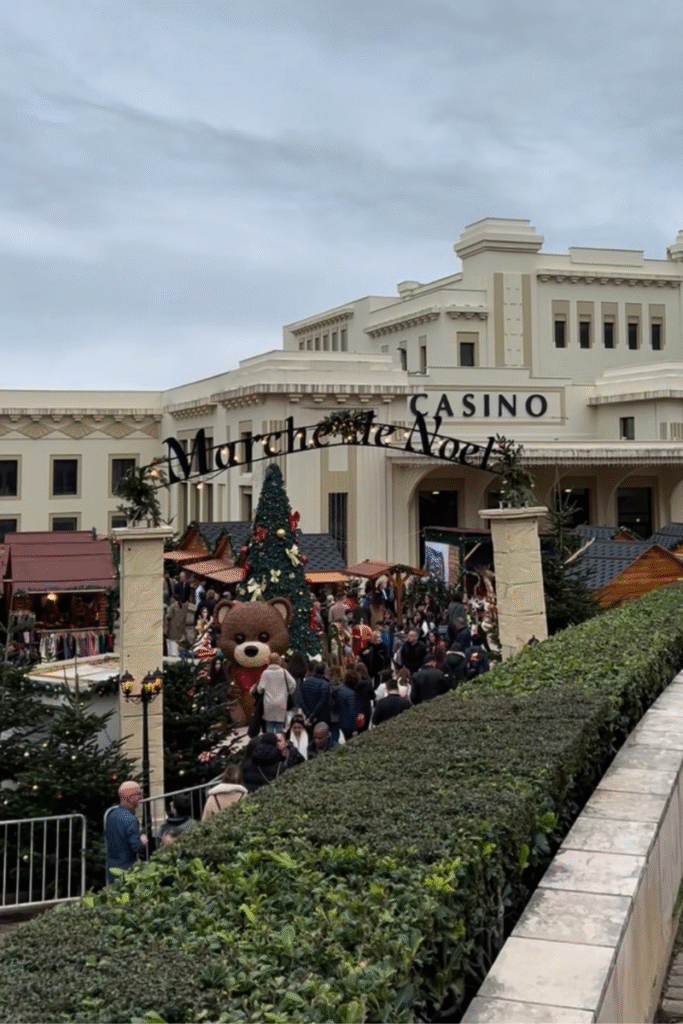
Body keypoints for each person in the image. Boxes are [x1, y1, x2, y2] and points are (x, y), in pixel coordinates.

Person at [104, 780, 147, 885]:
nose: (141, 797)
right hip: (127, 868)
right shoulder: (131, 819)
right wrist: (143, 842)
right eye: (138, 794)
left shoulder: (111, 815)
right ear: (129, 797)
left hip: (111, 867)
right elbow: (136, 847)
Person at [255, 653, 296, 733]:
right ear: (279, 660)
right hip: (281, 703)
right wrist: (287, 693)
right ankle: (279, 742)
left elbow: (259, 689)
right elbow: (293, 684)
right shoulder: (284, 672)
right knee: (279, 726)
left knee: (269, 725)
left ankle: (270, 743)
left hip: (268, 704)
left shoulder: (265, 673)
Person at [299, 661, 331, 731]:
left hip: (308, 715)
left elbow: (301, 699)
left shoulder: (305, 682)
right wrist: (313, 714)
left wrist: (307, 713)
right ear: (324, 671)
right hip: (321, 717)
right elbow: (323, 701)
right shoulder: (325, 684)